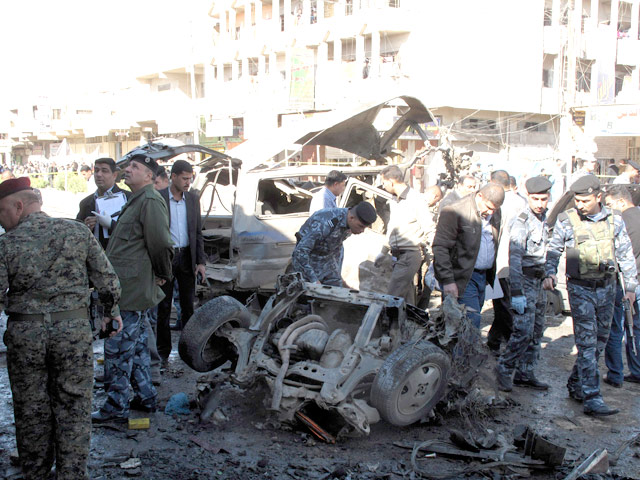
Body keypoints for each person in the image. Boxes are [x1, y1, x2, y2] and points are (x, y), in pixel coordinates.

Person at [0, 177, 121, 479]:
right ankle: (71, 474)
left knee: (31, 410)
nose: (1, 221)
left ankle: (36, 473)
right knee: (74, 407)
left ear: (19, 206)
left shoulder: (5, 244)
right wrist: (110, 314)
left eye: (1, 212)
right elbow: (108, 281)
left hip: (26, 336)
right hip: (73, 334)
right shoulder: (77, 232)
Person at [543, 175, 637, 416]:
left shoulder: (614, 220)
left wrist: (630, 288)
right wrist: (549, 273)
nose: (580, 205)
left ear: (598, 197)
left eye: (585, 200)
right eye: (577, 200)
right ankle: (592, 397)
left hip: (607, 288)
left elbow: (625, 254)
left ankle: (576, 383)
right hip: (580, 289)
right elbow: (554, 249)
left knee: (599, 341)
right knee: (586, 343)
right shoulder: (567, 221)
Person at [92, 154, 173, 422]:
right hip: (127, 286)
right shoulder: (136, 200)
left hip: (130, 290)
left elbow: (161, 243)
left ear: (149, 175)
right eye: (128, 166)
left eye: (135, 167)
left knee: (117, 348)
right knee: (136, 346)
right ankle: (146, 396)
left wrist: (162, 274)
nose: (128, 169)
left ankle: (116, 406)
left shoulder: (149, 201)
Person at [496, 176, 553, 392]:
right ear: (527, 196)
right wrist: (517, 292)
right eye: (535, 199)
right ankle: (504, 367)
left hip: (539, 282)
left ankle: (525, 372)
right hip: (525, 281)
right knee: (523, 331)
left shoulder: (545, 219)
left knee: (537, 331)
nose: (539, 203)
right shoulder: (522, 221)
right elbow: (515, 259)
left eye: (543, 199)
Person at [432, 183, 505, 328]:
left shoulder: (494, 212)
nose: (491, 212)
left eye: (495, 209)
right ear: (480, 196)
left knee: (465, 323)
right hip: (462, 277)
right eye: (488, 207)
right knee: (470, 323)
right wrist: (448, 280)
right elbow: (440, 247)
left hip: (482, 276)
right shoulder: (455, 211)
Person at [157, 160, 206, 361]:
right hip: (166, 257)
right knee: (163, 306)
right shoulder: (159, 198)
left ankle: (188, 351)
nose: (188, 182)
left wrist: (201, 262)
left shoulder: (193, 199)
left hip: (187, 257)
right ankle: (163, 352)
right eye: (185, 178)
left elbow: (197, 232)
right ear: (173, 176)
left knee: (188, 306)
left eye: (190, 179)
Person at [374, 165, 434, 304]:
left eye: (384, 182)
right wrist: (384, 251)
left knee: (392, 298)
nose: (383, 186)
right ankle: (410, 318)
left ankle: (389, 319)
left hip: (409, 255)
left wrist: (435, 259)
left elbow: (429, 228)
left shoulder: (415, 199)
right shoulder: (395, 200)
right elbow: (392, 227)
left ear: (391, 182)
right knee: (406, 301)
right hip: (398, 256)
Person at [603, 186, 640, 386]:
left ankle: (615, 374)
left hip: (624, 283)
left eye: (610, 204)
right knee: (636, 328)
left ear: (621, 202)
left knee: (615, 328)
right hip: (636, 282)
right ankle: (637, 370)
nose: (608, 209)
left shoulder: (619, 221)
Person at [291, 201, 377, 286]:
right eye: (360, 226)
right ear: (351, 218)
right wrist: (313, 280)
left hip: (325, 263)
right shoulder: (326, 222)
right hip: (305, 263)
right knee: (306, 292)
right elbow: (300, 252)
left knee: (336, 291)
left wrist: (337, 274)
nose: (362, 231)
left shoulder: (349, 223)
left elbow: (337, 246)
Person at [487, 170, 527, 353]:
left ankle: (510, 343)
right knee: (501, 303)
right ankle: (494, 340)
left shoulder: (501, 203)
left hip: (502, 260)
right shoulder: (520, 202)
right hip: (510, 261)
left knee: (503, 304)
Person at [77, 157, 130, 249]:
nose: (99, 174)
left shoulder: (128, 198)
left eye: (104, 171)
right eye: (96, 170)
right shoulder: (85, 203)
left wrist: (111, 224)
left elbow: (133, 232)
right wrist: (85, 228)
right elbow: (76, 234)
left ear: (114, 175)